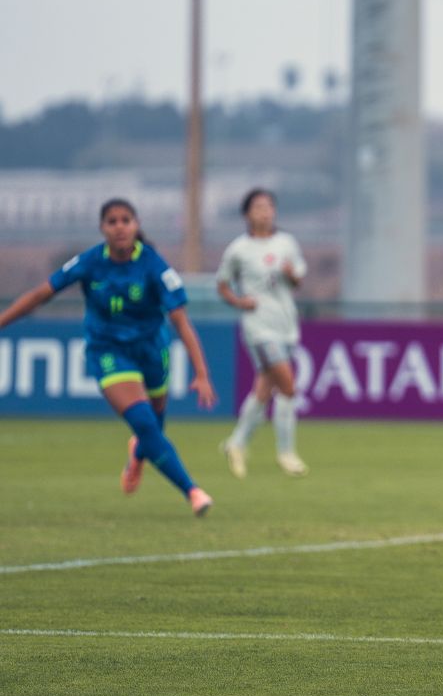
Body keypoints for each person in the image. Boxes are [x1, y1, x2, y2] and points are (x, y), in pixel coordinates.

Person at [0, 198, 215, 516]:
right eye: (112, 221)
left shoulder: (154, 265)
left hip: (151, 349)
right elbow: (40, 295)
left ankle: (138, 453)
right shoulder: (90, 262)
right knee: (144, 423)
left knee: (154, 425)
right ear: (102, 228)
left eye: (126, 220)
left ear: (136, 225)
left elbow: (181, 321)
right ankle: (192, 491)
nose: (119, 227)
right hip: (108, 350)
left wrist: (201, 373)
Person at [216, 188, 309, 477]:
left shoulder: (286, 243)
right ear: (247, 214)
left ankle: (236, 443)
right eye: (258, 207)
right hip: (259, 326)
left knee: (263, 390)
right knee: (288, 386)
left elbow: (298, 281)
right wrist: (239, 301)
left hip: (285, 324)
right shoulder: (238, 249)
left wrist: (290, 274)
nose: (265, 212)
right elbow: (222, 285)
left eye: (269, 206)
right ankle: (286, 453)